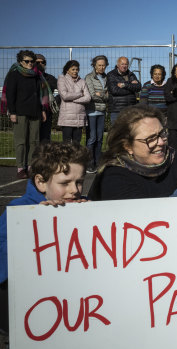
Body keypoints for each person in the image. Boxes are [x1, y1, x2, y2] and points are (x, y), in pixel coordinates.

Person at [0, 142, 90, 284]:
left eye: (79, 182)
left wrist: (95, 219)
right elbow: (5, 266)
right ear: (41, 182)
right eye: (65, 183)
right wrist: (37, 223)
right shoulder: (19, 211)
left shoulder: (85, 205)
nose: (74, 190)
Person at [1, 50, 51, 179]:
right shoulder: (14, 75)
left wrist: (43, 110)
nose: (29, 63)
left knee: (34, 141)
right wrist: (12, 112)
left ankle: (30, 167)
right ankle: (20, 168)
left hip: (35, 111)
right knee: (21, 141)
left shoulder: (37, 75)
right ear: (20, 62)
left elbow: (40, 95)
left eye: (31, 61)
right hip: (20, 112)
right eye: (26, 61)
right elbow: (10, 95)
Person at [85, 55, 109, 172]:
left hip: (102, 111)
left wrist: (102, 95)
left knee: (100, 138)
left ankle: (97, 161)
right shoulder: (89, 77)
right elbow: (92, 95)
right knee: (92, 138)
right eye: (99, 65)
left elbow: (109, 95)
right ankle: (89, 163)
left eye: (103, 65)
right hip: (91, 111)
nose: (101, 67)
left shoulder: (106, 78)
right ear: (94, 65)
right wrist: (104, 96)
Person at [57, 60, 91, 144]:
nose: (75, 71)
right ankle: (66, 158)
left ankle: (76, 158)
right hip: (67, 118)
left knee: (77, 143)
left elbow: (88, 98)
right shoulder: (62, 79)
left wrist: (73, 99)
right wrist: (80, 94)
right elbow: (65, 96)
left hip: (79, 118)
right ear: (67, 70)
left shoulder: (82, 81)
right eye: (73, 69)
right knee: (66, 143)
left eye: (77, 69)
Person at [107, 56, 141, 125]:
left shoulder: (131, 74)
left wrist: (124, 85)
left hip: (130, 109)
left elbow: (138, 87)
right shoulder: (111, 75)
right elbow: (114, 91)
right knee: (117, 133)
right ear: (118, 65)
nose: (124, 66)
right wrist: (131, 88)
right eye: (122, 64)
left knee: (130, 133)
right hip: (117, 110)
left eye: (126, 64)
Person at [35, 54, 58, 143]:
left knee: (45, 139)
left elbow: (63, 90)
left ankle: (44, 156)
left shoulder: (50, 78)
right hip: (33, 111)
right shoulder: (30, 77)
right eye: (38, 62)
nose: (40, 64)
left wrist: (55, 101)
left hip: (47, 112)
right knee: (33, 138)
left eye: (43, 62)